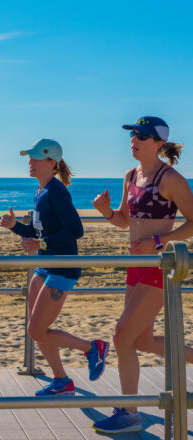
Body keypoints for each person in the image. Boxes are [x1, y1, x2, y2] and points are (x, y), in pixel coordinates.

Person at [92, 116, 193, 434]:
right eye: (133, 134)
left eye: (142, 135)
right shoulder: (130, 175)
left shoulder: (171, 178)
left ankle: (129, 412)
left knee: (122, 335)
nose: (134, 139)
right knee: (142, 340)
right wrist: (107, 212)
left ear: (159, 143)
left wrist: (159, 241)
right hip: (134, 267)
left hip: (159, 266)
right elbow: (125, 221)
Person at [0, 139, 109, 396]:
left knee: (36, 330)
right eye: (29, 157)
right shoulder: (41, 191)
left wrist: (41, 245)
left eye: (36, 158)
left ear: (52, 163)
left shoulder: (56, 192)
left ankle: (92, 348)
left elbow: (76, 231)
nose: (30, 162)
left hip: (62, 267)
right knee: (38, 331)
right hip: (46, 266)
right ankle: (61, 381)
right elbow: (38, 232)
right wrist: (14, 226)